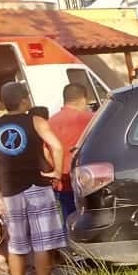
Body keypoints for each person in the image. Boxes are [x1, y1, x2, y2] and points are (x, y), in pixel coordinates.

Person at [0, 82, 66, 275]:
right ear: (23, 100)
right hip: (37, 185)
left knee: (16, 245)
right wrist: (57, 171)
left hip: (9, 190)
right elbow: (57, 147)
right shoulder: (36, 121)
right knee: (42, 244)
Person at [48, 83, 95, 220]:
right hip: (88, 180)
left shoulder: (50, 123)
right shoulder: (91, 119)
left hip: (62, 183)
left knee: (69, 219)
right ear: (83, 100)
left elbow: (45, 152)